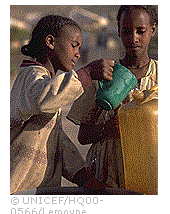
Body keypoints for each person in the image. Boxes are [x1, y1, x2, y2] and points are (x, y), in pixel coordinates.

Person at [10, 14, 113, 195]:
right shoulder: (31, 76)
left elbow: (56, 140)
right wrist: (87, 73)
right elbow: (42, 100)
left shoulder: (45, 81)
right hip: (16, 190)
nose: (78, 54)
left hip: (36, 191)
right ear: (50, 42)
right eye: (74, 46)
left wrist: (83, 177)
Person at [67, 5, 158, 188]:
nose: (133, 38)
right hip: (106, 177)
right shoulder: (103, 75)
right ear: (118, 31)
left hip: (151, 175)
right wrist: (107, 129)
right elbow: (83, 136)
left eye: (141, 31)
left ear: (152, 30)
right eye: (126, 31)